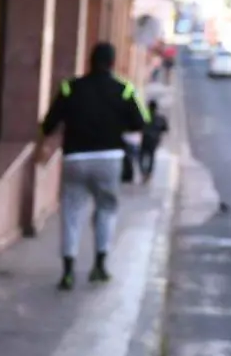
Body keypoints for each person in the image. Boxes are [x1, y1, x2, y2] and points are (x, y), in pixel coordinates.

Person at [35, 41, 149, 290]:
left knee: (71, 212)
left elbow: (48, 124)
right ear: (113, 63)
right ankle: (100, 265)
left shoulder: (69, 88)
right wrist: (117, 126)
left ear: (89, 60)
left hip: (75, 159)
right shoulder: (125, 90)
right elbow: (141, 123)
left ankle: (67, 272)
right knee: (106, 210)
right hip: (109, 159)